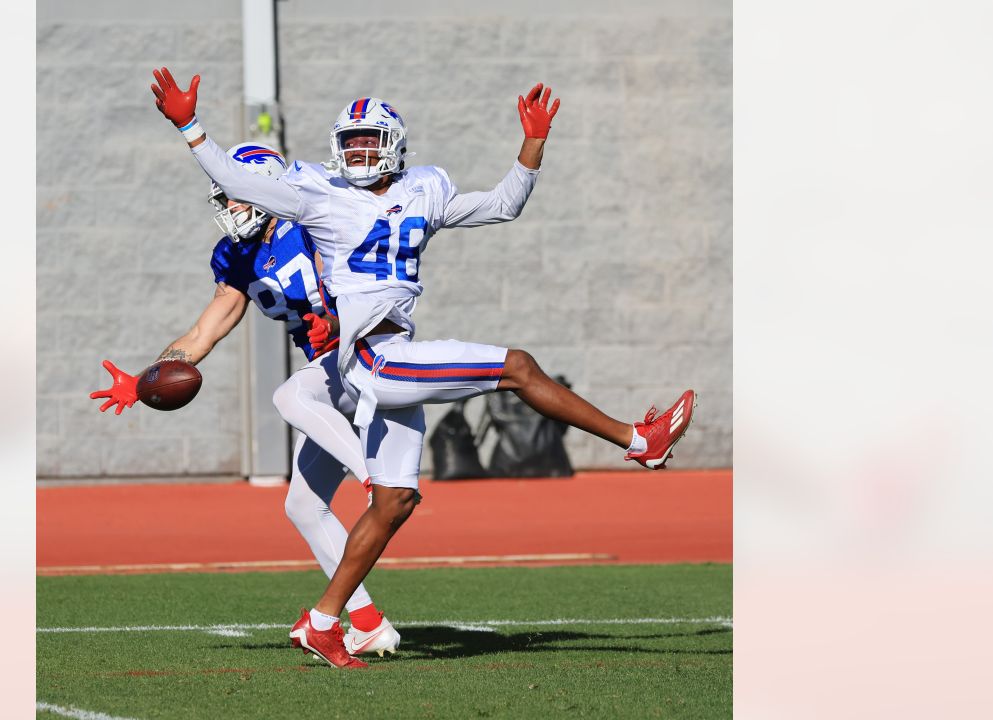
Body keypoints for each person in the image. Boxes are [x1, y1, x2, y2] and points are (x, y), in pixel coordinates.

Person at [150, 68, 698, 669]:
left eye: (367, 140)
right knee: (516, 366)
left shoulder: (424, 189)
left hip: (395, 356)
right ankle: (637, 439)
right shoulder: (317, 195)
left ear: (392, 145)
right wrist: (190, 125)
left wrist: (532, 147)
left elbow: (503, 206)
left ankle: (325, 623)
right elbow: (231, 177)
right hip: (371, 359)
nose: (357, 150)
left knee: (395, 502)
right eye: (349, 141)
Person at [88, 142, 403, 659]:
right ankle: (366, 620)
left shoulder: (312, 220)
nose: (229, 206)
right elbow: (205, 332)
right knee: (303, 505)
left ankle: (374, 478)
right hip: (328, 371)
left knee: (289, 396)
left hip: (366, 352)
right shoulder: (235, 255)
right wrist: (146, 379)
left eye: (235, 195)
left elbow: (365, 280)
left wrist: (343, 318)